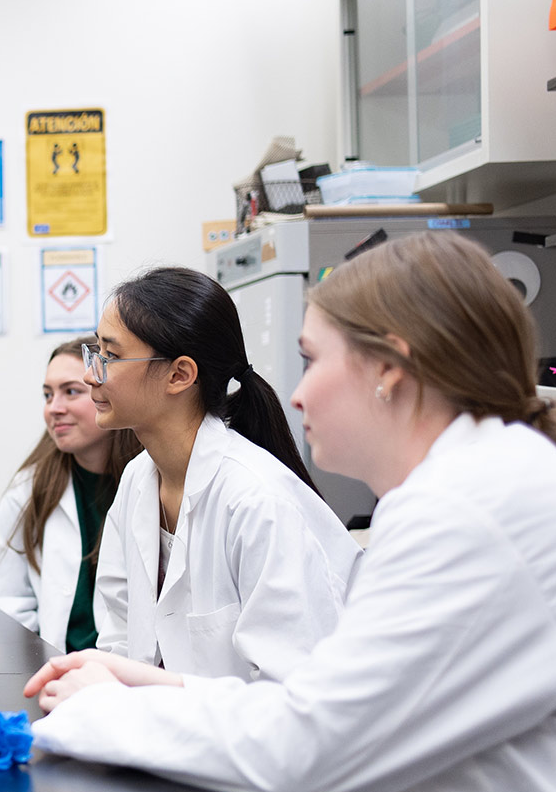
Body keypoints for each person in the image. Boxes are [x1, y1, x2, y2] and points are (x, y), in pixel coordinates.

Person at [25, 232, 556, 792]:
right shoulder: (464, 490)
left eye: (314, 360)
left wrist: (111, 713)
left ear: (390, 367)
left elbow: (308, 740)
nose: (299, 392)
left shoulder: (462, 512)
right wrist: (135, 683)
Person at [83, 266, 359, 681]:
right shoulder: (139, 480)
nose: (91, 373)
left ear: (179, 375)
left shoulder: (256, 500)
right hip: (171, 734)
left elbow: (294, 693)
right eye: (96, 352)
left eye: (111, 356)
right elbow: (119, 639)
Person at [0, 338, 142, 652]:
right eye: (47, 395)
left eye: (71, 391)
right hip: (55, 677)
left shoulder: (152, 484)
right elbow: (5, 604)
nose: (54, 408)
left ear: (108, 394)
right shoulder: (28, 490)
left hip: (133, 680)